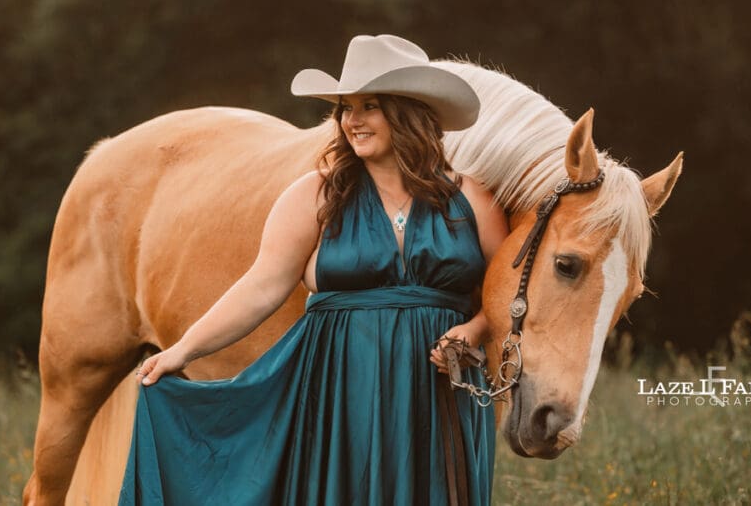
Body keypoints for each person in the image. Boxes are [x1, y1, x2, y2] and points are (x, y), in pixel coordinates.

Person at [119, 34, 509, 505]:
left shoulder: (472, 199)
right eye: (346, 108)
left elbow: (503, 293)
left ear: (408, 112)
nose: (352, 120)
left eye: (369, 106)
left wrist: (473, 330)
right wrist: (183, 351)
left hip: (439, 389)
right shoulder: (316, 196)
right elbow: (262, 287)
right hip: (341, 388)